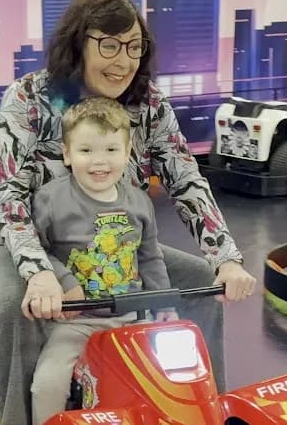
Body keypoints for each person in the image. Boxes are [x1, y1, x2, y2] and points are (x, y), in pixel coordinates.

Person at [0, 0, 256, 425]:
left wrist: (226, 259)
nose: (123, 60)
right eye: (109, 45)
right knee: (13, 303)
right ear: (78, 43)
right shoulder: (28, 100)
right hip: (6, 242)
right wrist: (38, 272)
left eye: (134, 47)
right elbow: (7, 197)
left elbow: (186, 178)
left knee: (199, 286)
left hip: (105, 244)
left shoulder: (148, 103)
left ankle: (201, 412)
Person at [29, 97, 178, 425]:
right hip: (75, 323)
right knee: (46, 385)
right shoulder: (50, 200)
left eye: (111, 150)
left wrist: (164, 303)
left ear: (127, 153)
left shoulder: (139, 201)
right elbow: (35, 252)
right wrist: (65, 282)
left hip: (134, 319)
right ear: (67, 155)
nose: (100, 162)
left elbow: (150, 257)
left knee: (173, 373)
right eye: (86, 151)